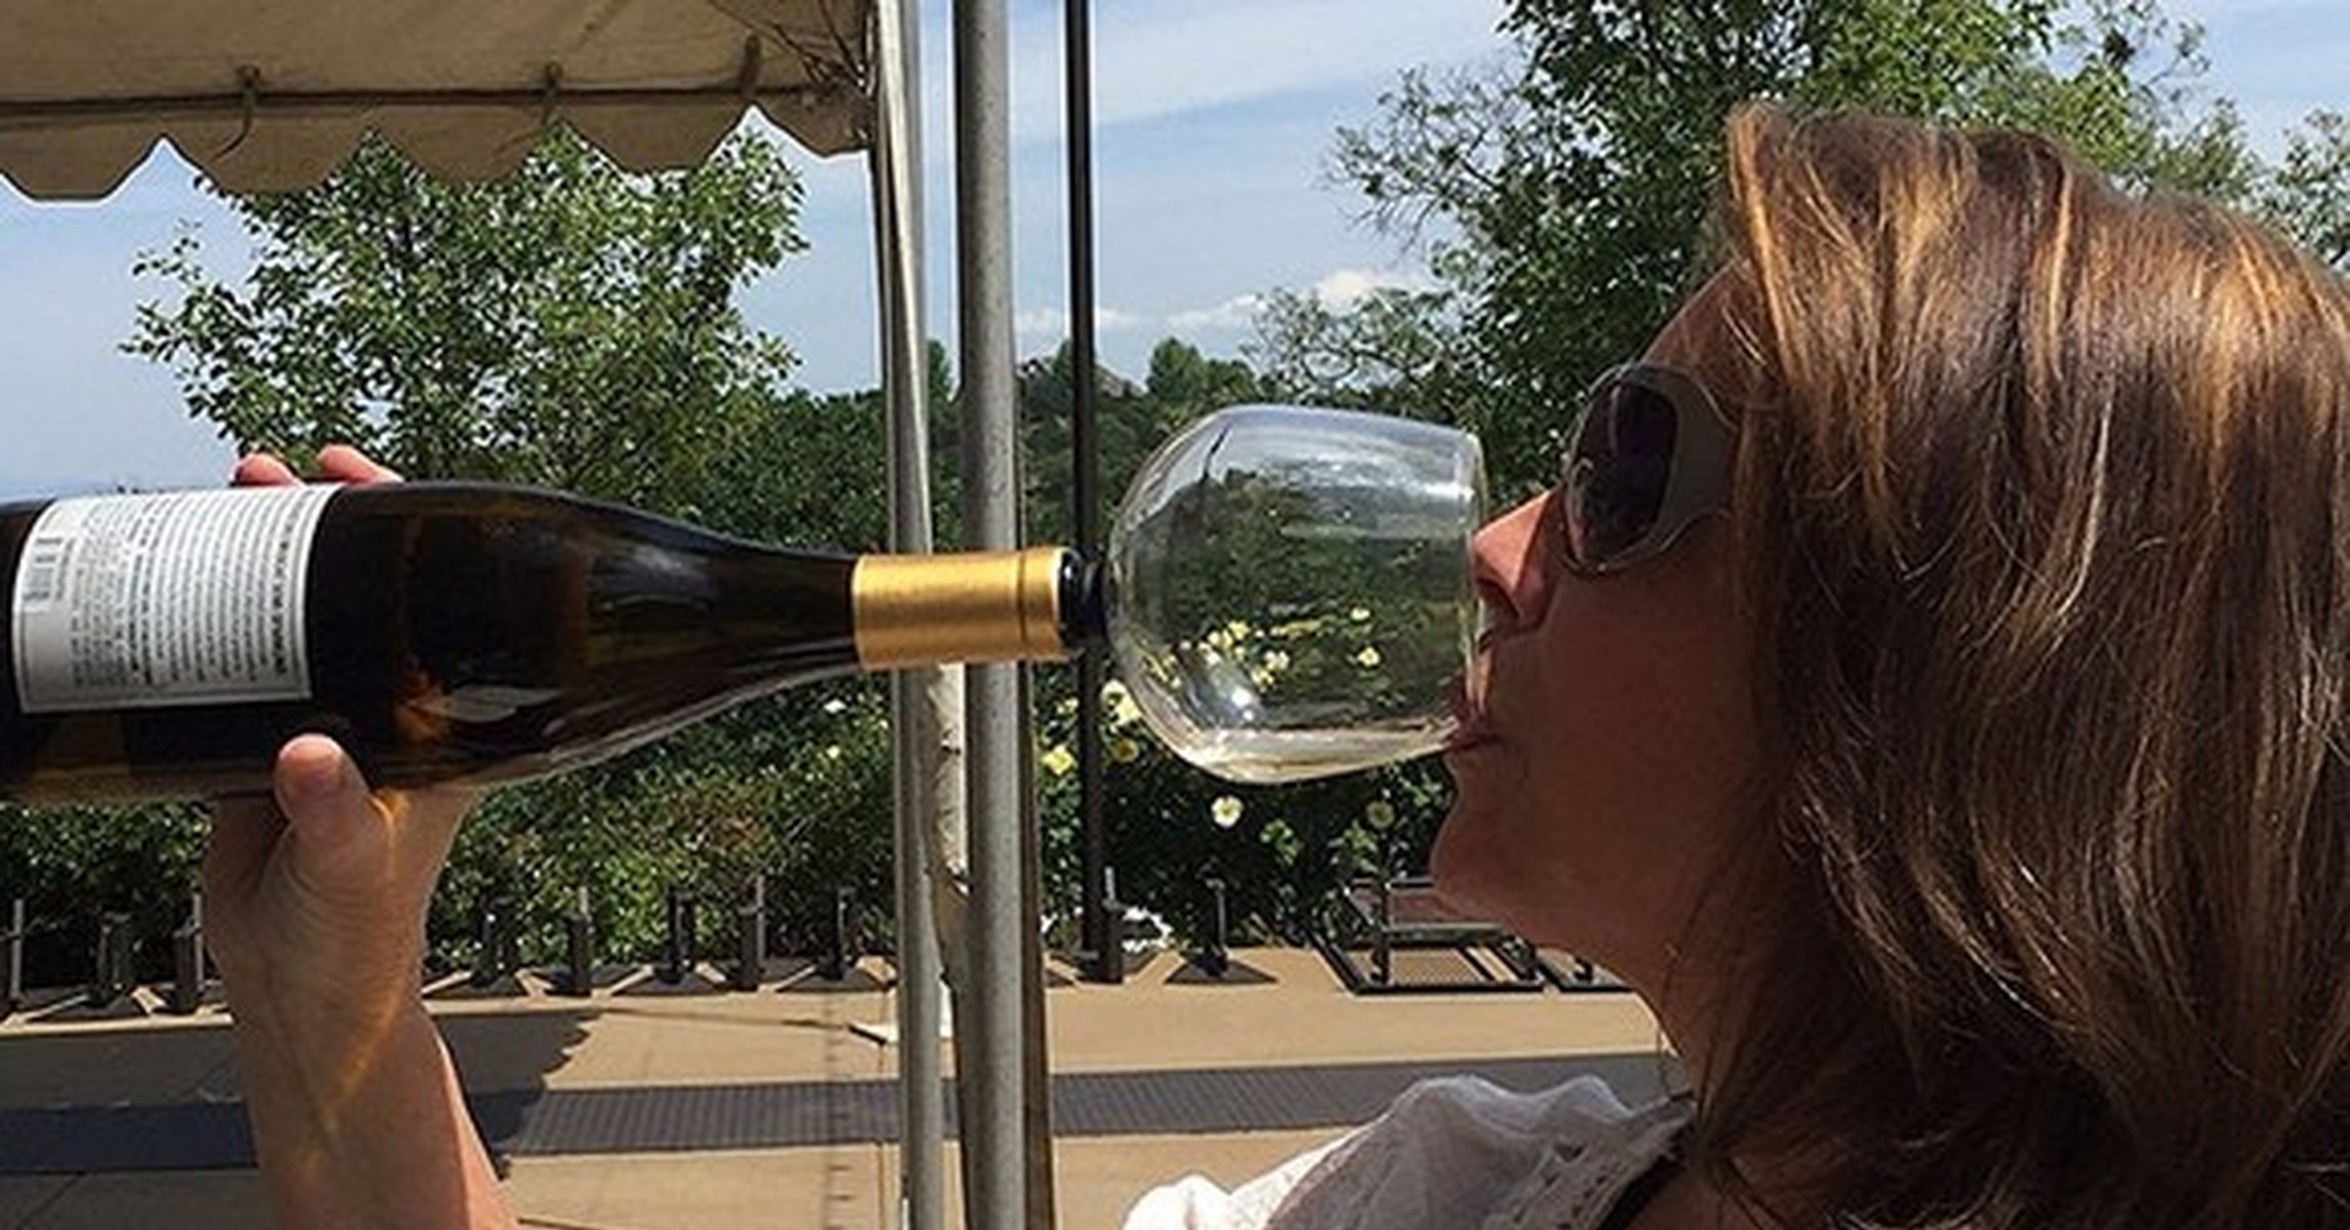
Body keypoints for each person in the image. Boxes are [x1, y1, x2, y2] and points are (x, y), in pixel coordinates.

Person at [208, 105, 2349, 1230]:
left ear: (1967, 652)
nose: (1497, 546)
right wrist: (336, 994)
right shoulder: (1433, 1197)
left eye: (1629, 466)